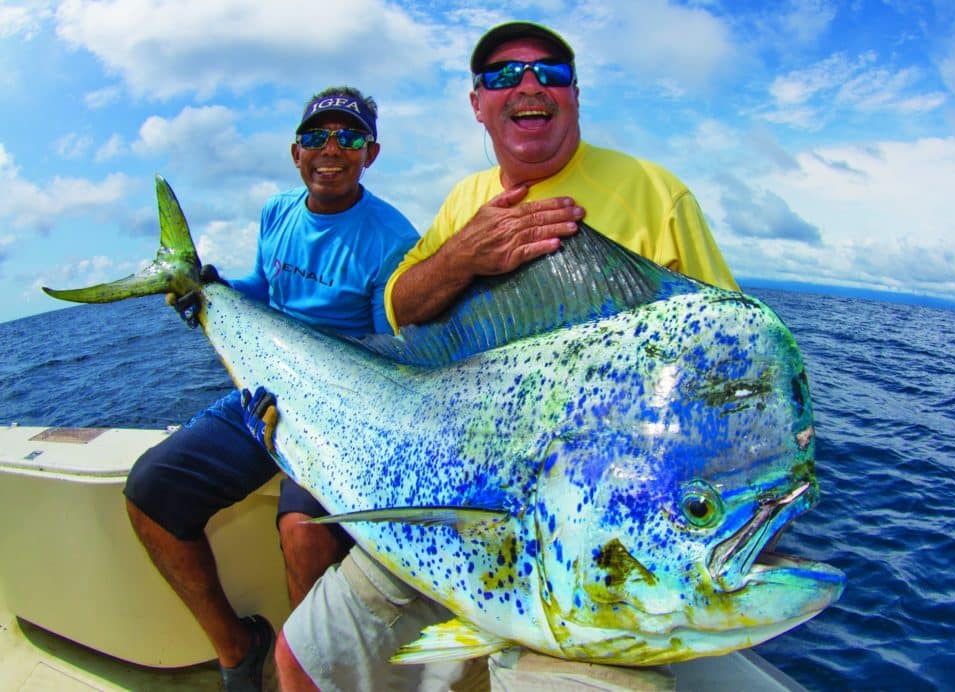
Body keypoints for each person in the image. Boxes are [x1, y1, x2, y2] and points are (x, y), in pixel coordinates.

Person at [272, 21, 739, 692]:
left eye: (549, 73)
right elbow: (399, 309)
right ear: (477, 104)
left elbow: (727, 365)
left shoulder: (657, 194)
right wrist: (464, 255)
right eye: (502, 76)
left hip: (591, 542)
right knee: (304, 663)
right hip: (446, 505)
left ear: (575, 96)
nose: (527, 85)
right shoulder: (466, 197)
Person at [123, 86, 419, 692]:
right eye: (317, 137)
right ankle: (238, 647)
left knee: (302, 534)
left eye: (349, 137)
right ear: (295, 152)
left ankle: (313, 672)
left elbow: (393, 351)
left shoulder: (392, 237)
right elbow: (262, 288)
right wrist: (212, 290)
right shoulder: (277, 212)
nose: (331, 149)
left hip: (338, 410)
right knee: (150, 490)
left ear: (372, 152)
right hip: (259, 394)